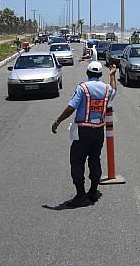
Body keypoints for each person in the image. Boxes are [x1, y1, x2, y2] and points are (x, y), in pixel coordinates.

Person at [52, 61, 117, 208]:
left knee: (77, 161)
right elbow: (114, 92)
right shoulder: (106, 89)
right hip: (99, 131)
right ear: (100, 75)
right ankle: (93, 191)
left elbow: (71, 107)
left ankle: (81, 195)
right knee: (95, 160)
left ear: (88, 73)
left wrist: (58, 121)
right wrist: (112, 76)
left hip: (83, 131)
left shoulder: (83, 88)